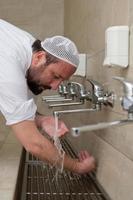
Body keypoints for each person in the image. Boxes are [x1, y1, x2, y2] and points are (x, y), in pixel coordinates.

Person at [0, 19, 95, 174]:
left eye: (61, 80)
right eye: (56, 76)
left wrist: (43, 120)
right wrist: (78, 167)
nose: (55, 86)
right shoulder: (10, 66)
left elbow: (23, 107)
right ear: (39, 58)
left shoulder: (31, 55)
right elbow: (34, 145)